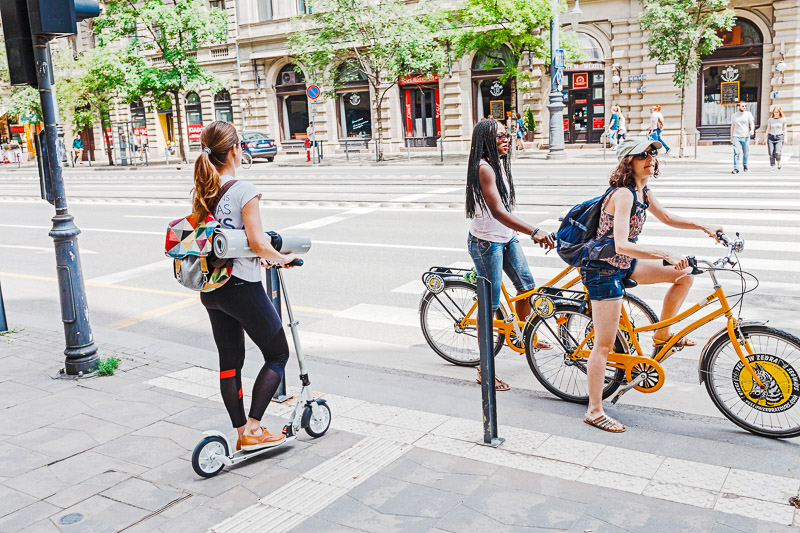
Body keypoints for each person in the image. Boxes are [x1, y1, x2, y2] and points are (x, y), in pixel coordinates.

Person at [581, 137, 723, 433]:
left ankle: (662, 334)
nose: (651, 158)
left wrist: (704, 226)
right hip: (603, 270)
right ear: (628, 162)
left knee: (683, 274)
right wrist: (664, 254)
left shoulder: (642, 191)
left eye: (653, 154)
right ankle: (594, 410)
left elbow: (668, 217)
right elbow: (621, 244)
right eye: (643, 155)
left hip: (623, 263)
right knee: (604, 345)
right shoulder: (623, 195)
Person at [194, 120, 299, 451]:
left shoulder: (204, 188)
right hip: (242, 287)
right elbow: (257, 242)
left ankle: (242, 431)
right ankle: (254, 427)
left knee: (230, 361)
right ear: (236, 149)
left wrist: (262, 256)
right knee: (278, 354)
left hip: (212, 287)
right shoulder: (244, 189)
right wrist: (282, 258)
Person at [466, 119, 555, 391]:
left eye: (507, 134)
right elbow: (498, 213)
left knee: (527, 288)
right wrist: (534, 231)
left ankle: (522, 335)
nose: (507, 139)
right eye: (501, 136)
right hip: (486, 243)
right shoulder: (484, 168)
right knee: (489, 307)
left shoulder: (497, 163)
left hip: (506, 238)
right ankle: (485, 369)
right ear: (487, 140)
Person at [730, 101, 755, 174]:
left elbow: (751, 123)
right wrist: (731, 137)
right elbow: (733, 126)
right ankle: (736, 168)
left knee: (746, 152)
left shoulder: (748, 114)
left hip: (746, 136)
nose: (744, 107)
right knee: (736, 153)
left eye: (745, 106)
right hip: (736, 136)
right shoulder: (734, 115)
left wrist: (752, 130)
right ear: (738, 107)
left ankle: (745, 165)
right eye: (743, 106)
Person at [764, 105, 786, 172]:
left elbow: (784, 129)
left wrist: (785, 138)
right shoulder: (770, 120)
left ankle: (778, 161)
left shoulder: (783, 119)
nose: (775, 113)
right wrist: (765, 138)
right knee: (771, 153)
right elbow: (768, 129)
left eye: (777, 112)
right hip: (771, 137)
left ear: (779, 112)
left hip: (779, 137)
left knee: (777, 152)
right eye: (774, 112)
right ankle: (772, 165)